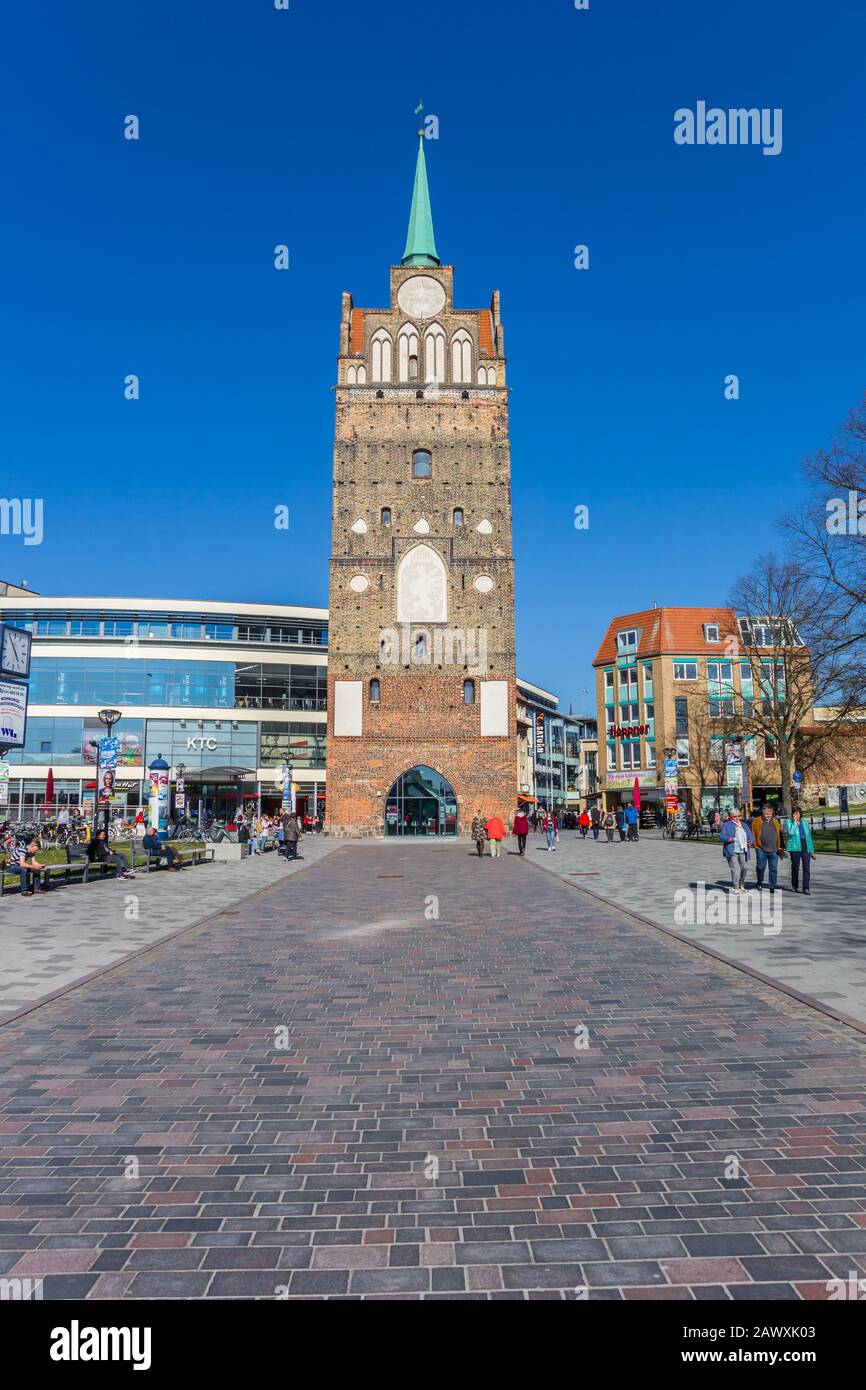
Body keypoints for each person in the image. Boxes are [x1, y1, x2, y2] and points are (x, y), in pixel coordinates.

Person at [750, 802, 784, 895]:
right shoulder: (756, 821)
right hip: (761, 849)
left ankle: (772, 886)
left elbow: (779, 835)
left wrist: (780, 847)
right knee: (760, 867)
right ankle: (759, 882)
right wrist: (754, 845)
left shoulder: (776, 822)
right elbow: (752, 833)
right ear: (762, 812)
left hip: (774, 850)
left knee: (773, 869)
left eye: (770, 813)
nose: (769, 815)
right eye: (767, 813)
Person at [720, 808, 754, 893]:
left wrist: (750, 841)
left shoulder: (744, 825)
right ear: (731, 817)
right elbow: (722, 836)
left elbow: (750, 836)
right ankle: (736, 887)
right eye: (735, 816)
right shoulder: (726, 825)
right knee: (735, 869)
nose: (737, 818)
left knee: (745, 868)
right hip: (732, 850)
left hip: (743, 850)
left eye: (739, 816)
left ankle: (741, 884)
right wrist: (730, 839)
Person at [784, 807, 816, 894]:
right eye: (794, 813)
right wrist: (795, 822)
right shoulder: (788, 822)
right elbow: (791, 832)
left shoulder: (805, 822)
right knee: (795, 868)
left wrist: (811, 850)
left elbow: (809, 836)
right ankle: (794, 885)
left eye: (797, 813)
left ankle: (806, 888)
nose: (796, 815)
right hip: (795, 847)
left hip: (805, 847)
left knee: (806, 868)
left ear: (800, 814)